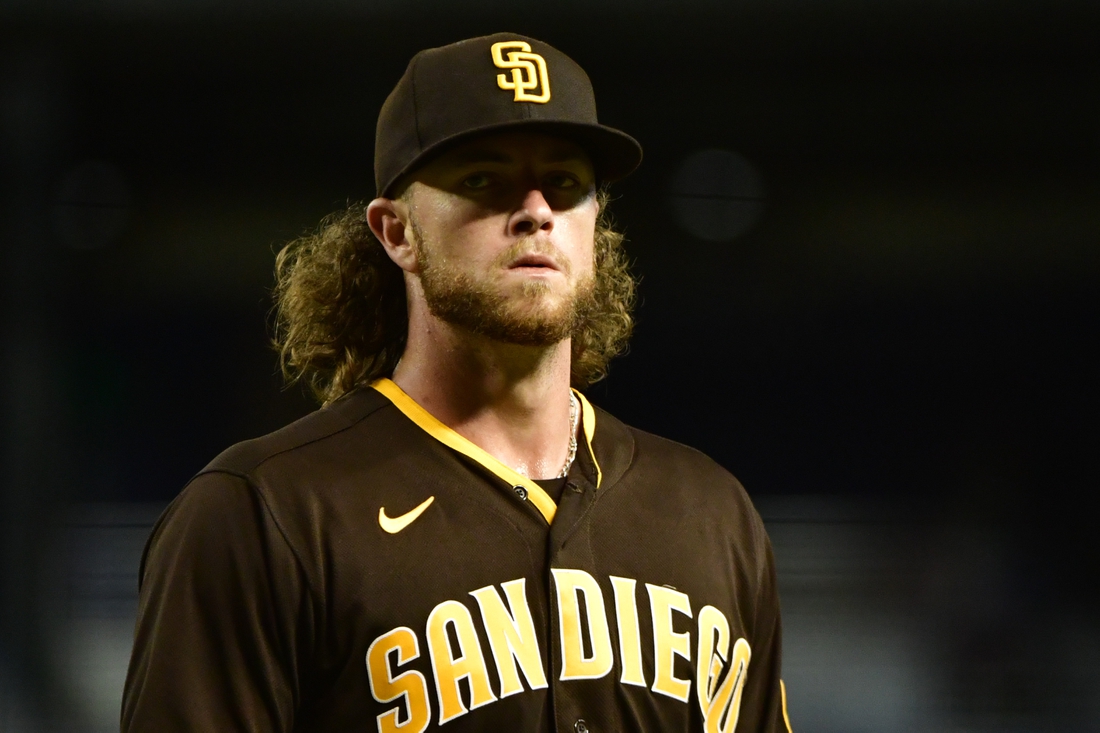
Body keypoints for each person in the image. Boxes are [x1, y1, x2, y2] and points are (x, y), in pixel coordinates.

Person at [122, 33, 793, 733]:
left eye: (565, 182)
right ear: (396, 232)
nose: (536, 209)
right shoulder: (266, 515)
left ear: (595, 223)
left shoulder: (711, 512)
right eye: (484, 180)